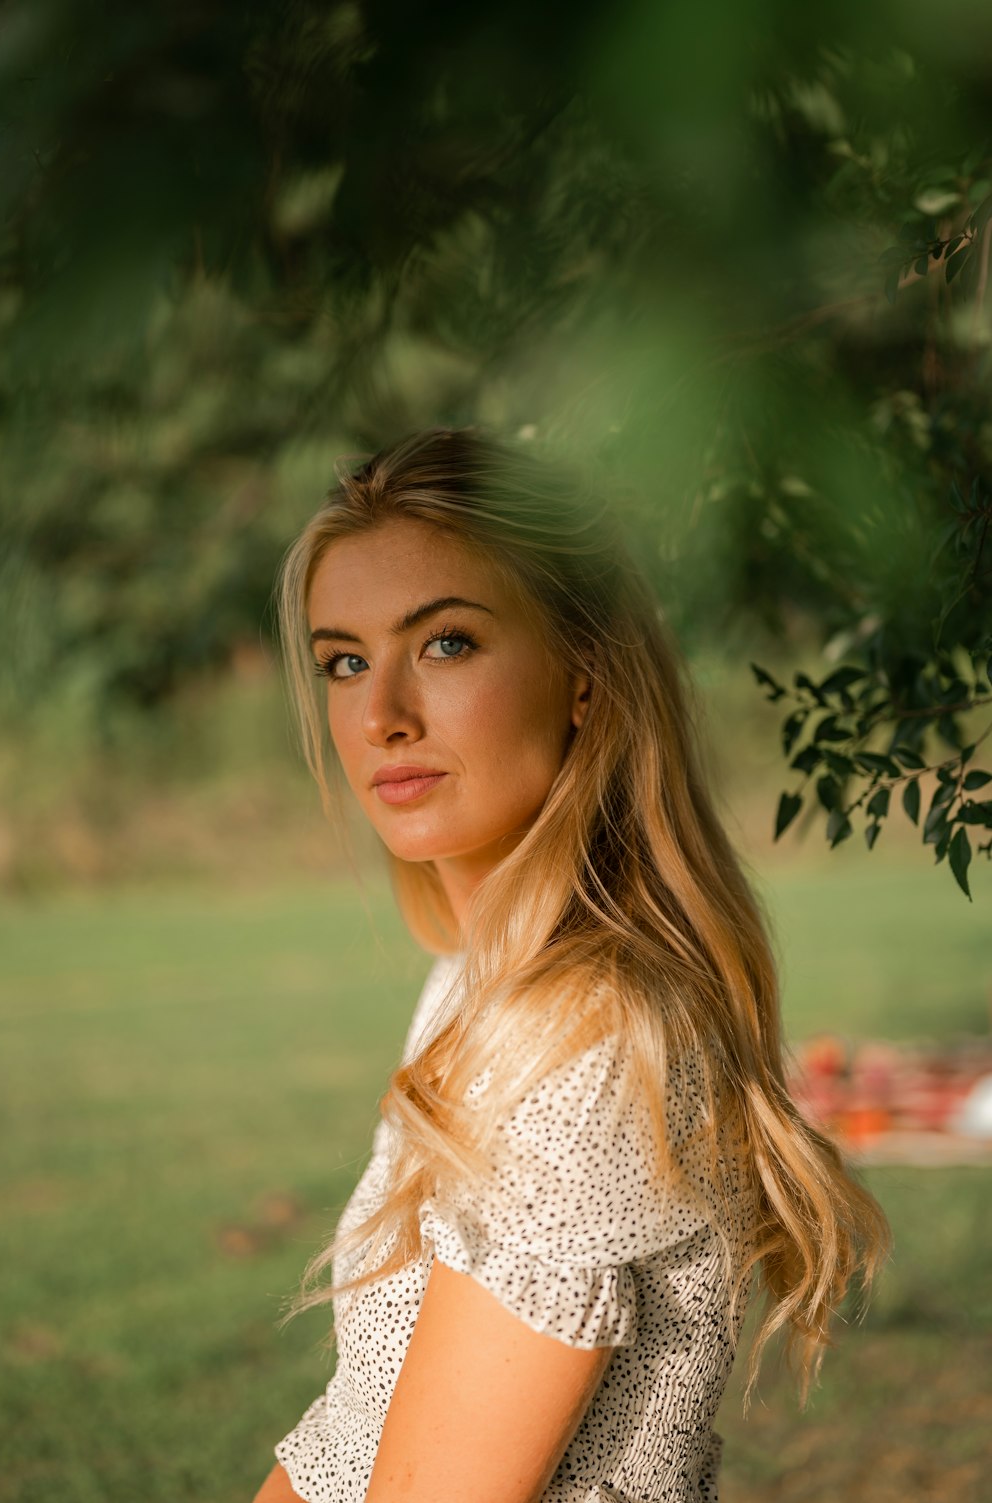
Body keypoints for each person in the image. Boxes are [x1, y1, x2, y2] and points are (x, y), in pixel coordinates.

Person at [253, 427, 889, 1503]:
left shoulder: (589, 1041)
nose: (380, 716)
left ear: (584, 676)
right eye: (344, 660)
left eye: (446, 643)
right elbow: (353, 1429)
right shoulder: (476, 987)